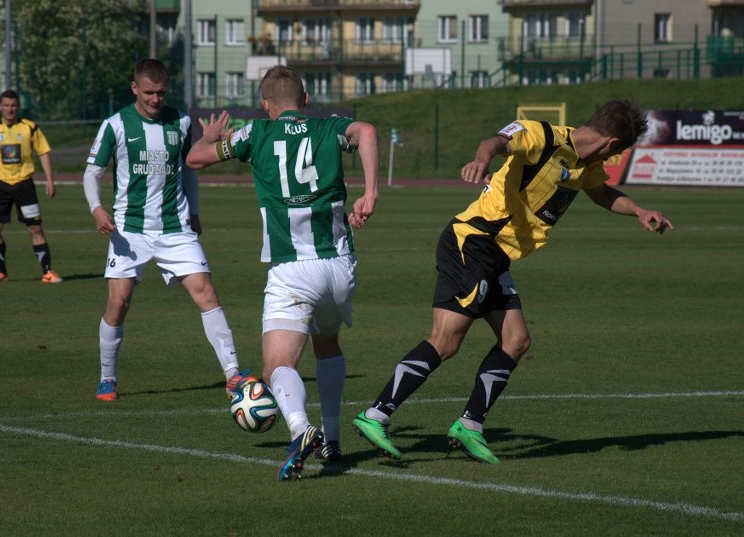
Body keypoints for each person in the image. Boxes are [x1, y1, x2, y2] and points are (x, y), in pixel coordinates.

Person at [352, 99, 674, 464]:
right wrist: (481, 159)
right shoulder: (543, 136)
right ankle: (376, 414)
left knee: (517, 340)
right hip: (473, 241)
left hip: (498, 256)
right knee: (446, 339)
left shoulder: (587, 164)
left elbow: (601, 192)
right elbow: (497, 141)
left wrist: (639, 210)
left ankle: (469, 425)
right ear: (614, 145)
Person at [186, 65, 379, 481]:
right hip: (338, 268)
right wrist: (371, 190)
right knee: (326, 345)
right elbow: (367, 132)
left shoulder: (255, 133)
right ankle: (331, 436)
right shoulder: (329, 128)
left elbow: (195, 159)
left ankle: (298, 427)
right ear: (305, 100)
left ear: (265, 104)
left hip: (293, 271)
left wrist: (211, 138)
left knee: (277, 367)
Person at [82, 58, 252, 403]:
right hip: (130, 230)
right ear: (134, 89)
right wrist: (97, 208)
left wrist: (196, 211)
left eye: (161, 93)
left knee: (206, 293)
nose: (156, 99)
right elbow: (92, 173)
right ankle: (107, 379)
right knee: (118, 303)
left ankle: (233, 373)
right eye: (148, 93)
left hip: (175, 227)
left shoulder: (181, 122)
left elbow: (189, 169)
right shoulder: (115, 125)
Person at [0, 89, 62, 283]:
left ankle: (47, 272)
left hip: (24, 185)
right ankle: (1, 272)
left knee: (35, 229)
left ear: (18, 107)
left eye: (13, 105)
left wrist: (49, 179)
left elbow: (43, 153)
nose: (10, 109)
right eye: (6, 105)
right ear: (0, 107)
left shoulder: (30, 127)